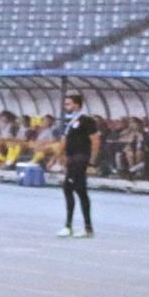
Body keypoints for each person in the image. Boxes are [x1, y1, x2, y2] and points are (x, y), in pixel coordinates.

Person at [58, 93, 99, 238]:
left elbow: (95, 140)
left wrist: (92, 162)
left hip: (81, 159)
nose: (66, 107)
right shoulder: (68, 122)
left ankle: (84, 227)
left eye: (68, 104)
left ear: (77, 105)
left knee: (78, 191)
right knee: (69, 190)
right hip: (71, 159)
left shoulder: (86, 120)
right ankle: (71, 226)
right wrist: (57, 157)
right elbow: (64, 141)